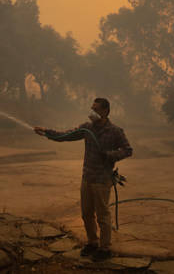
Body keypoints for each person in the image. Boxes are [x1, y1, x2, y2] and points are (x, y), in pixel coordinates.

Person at [34, 97, 133, 262]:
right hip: (87, 177)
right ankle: (92, 243)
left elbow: (128, 150)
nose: (91, 112)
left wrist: (110, 155)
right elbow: (66, 135)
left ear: (105, 111)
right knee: (86, 214)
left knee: (102, 215)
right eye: (91, 108)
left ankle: (105, 248)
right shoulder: (87, 128)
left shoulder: (115, 131)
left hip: (102, 179)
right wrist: (46, 132)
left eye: (95, 109)